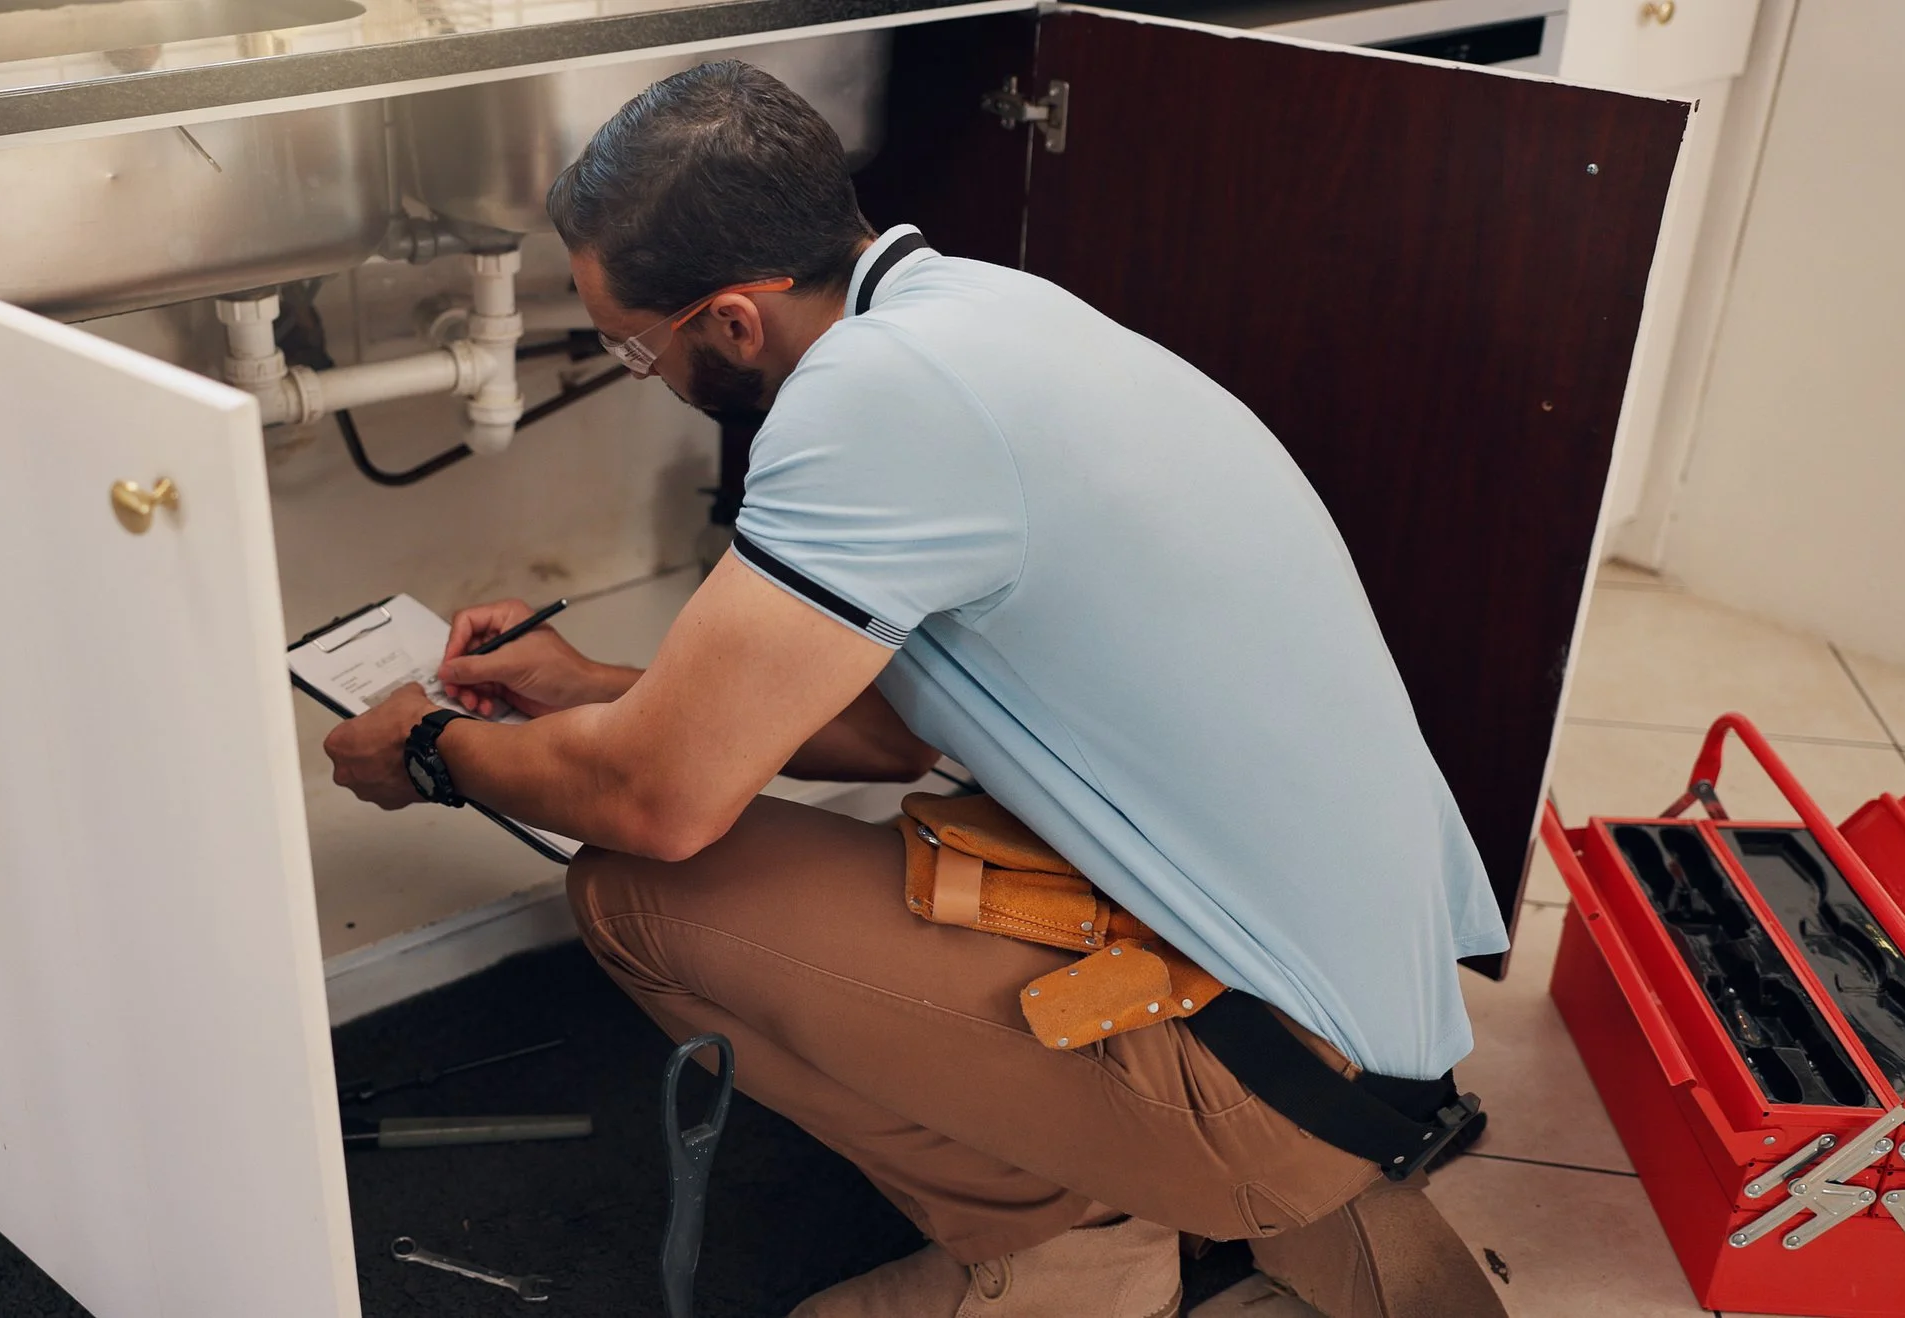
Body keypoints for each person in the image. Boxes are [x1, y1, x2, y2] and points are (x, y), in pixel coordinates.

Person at [321, 60, 1511, 1318]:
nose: (641, 368)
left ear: (730, 320)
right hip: (1368, 1023)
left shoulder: (861, 403)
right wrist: (589, 684)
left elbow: (658, 802)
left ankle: (1068, 1255)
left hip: (1275, 1088)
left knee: (634, 892)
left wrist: (434, 751)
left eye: (632, 343)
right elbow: (896, 735)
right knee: (845, 838)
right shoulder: (987, 310)